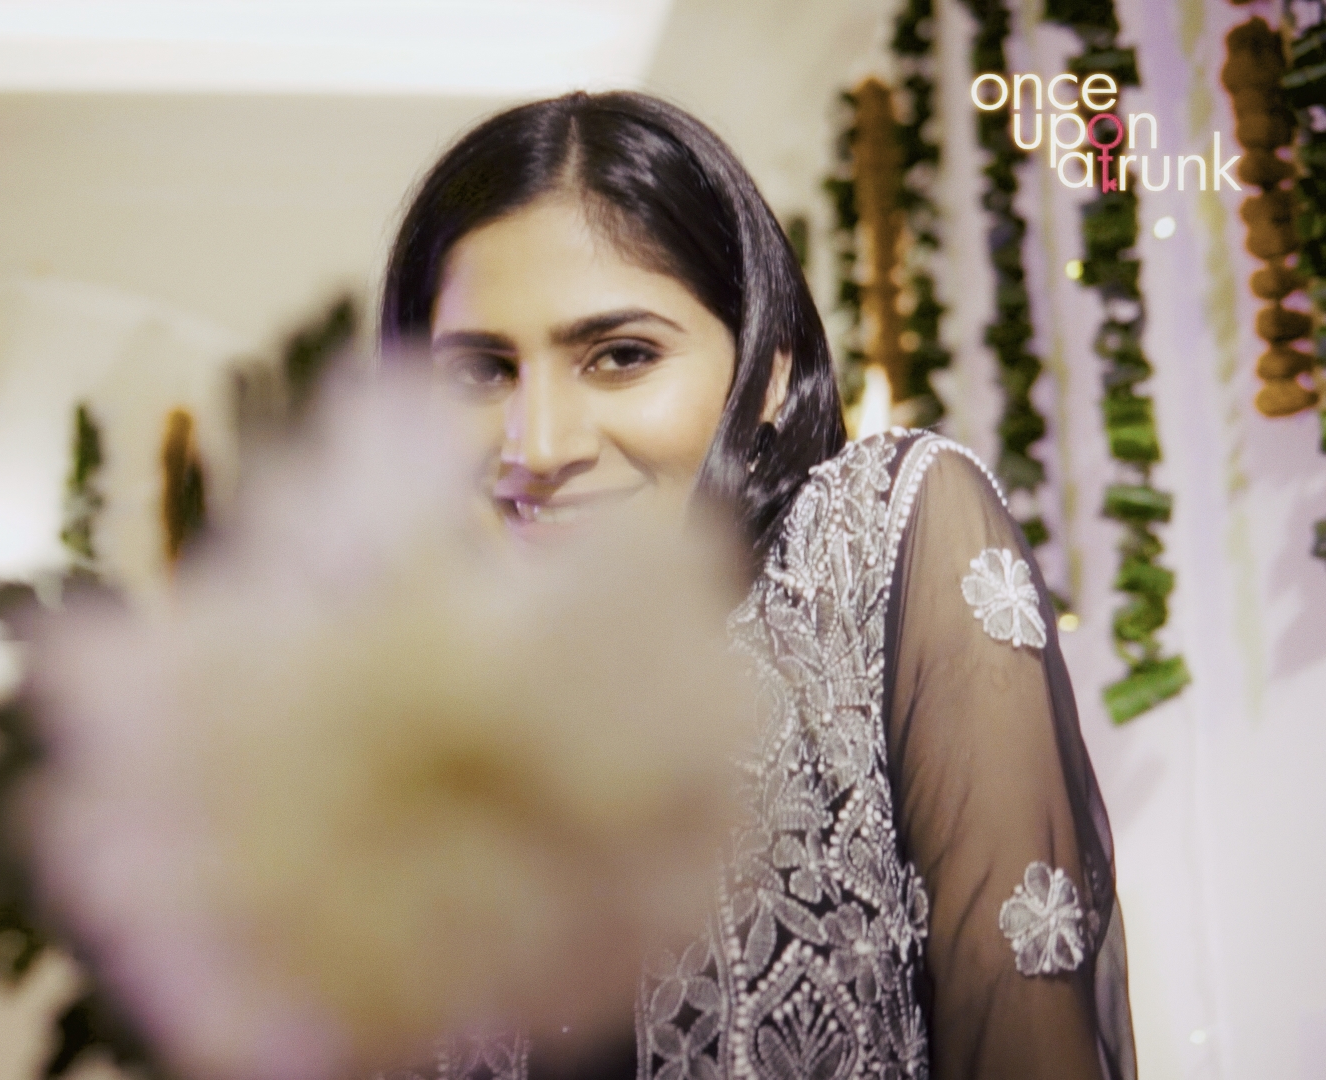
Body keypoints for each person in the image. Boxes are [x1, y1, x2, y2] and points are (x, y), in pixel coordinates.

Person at [377, 91, 1135, 1080]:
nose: (541, 446)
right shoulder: (403, 706)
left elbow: (1021, 1036)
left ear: (769, 371)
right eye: (481, 372)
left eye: (621, 357)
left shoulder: (872, 547)